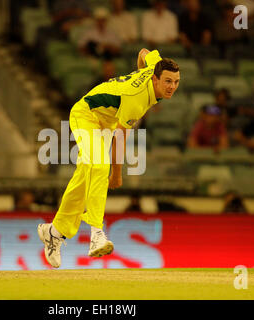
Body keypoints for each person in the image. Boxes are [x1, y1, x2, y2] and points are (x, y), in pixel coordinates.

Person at [37, 49, 181, 268]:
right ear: (155, 78)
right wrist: (116, 174)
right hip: (86, 115)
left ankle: (54, 232)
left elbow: (144, 52)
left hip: (106, 120)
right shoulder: (137, 100)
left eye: (177, 82)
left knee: (85, 177)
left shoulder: (156, 65)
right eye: (168, 81)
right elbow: (120, 139)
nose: (172, 87)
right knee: (100, 165)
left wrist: (140, 73)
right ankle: (96, 233)